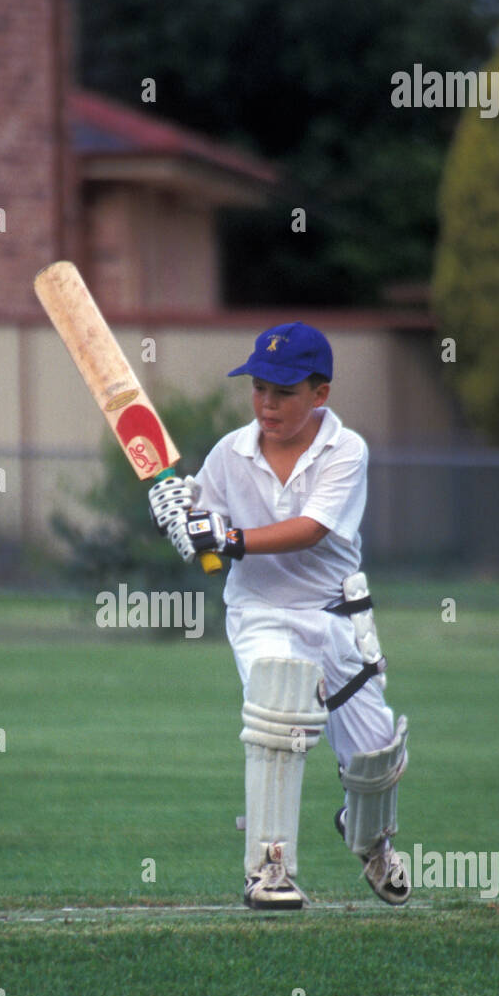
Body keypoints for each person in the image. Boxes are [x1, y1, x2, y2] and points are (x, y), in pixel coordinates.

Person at [148, 322, 410, 911]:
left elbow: (312, 530)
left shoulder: (347, 450)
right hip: (260, 610)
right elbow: (214, 557)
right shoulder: (228, 454)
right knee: (280, 710)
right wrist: (181, 521)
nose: (267, 404)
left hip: (337, 613)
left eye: (284, 392)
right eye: (259, 388)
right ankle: (270, 870)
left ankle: (370, 839)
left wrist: (226, 534)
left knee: (373, 761)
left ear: (320, 394)